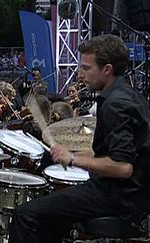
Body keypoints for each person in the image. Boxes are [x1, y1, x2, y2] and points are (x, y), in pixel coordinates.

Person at [9, 34, 150, 242]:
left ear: (107, 70)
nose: (80, 74)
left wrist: (74, 160)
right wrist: (74, 153)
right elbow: (115, 150)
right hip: (131, 193)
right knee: (52, 215)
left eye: (86, 68)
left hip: (119, 196)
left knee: (25, 214)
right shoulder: (127, 95)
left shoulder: (115, 105)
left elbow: (123, 167)